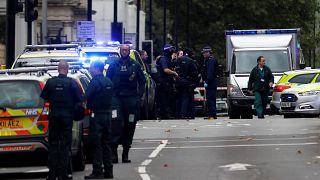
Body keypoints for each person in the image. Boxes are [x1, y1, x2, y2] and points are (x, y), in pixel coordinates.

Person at [40, 61, 83, 180]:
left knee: (53, 145)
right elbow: (79, 100)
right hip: (66, 118)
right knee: (65, 146)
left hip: (54, 117)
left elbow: (44, 98)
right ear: (67, 69)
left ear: (58, 69)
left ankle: (52, 174)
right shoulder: (71, 83)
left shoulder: (50, 82)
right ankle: (63, 174)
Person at [107, 44, 146, 164]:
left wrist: (138, 96)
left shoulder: (135, 65)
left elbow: (142, 81)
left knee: (130, 124)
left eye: (126, 50)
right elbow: (107, 80)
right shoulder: (113, 65)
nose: (124, 52)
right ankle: (114, 152)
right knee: (115, 123)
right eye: (122, 50)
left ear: (129, 51)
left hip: (130, 98)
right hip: (116, 98)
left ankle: (125, 153)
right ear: (120, 51)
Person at [84, 60, 114, 179]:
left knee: (96, 143)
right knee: (106, 143)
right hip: (107, 114)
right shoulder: (109, 81)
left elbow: (86, 96)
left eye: (91, 68)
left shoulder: (95, 82)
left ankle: (97, 171)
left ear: (97, 69)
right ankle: (109, 170)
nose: (90, 70)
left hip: (97, 115)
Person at [156, 44, 179, 119]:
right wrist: (174, 73)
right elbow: (165, 70)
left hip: (167, 82)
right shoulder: (163, 59)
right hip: (164, 82)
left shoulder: (167, 58)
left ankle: (165, 114)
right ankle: (164, 115)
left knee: (167, 98)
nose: (172, 51)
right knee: (164, 99)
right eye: (171, 50)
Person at [175, 48, 197, 119]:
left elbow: (174, 68)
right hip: (187, 81)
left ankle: (177, 114)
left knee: (179, 98)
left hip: (178, 81)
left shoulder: (178, 60)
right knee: (186, 97)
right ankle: (184, 114)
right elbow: (195, 72)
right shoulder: (190, 61)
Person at [202, 46, 218, 120]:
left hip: (211, 82)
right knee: (211, 98)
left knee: (210, 98)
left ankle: (211, 114)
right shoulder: (208, 60)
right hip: (211, 81)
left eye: (205, 53)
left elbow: (210, 72)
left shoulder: (211, 60)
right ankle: (212, 114)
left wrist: (207, 81)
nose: (203, 54)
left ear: (209, 53)